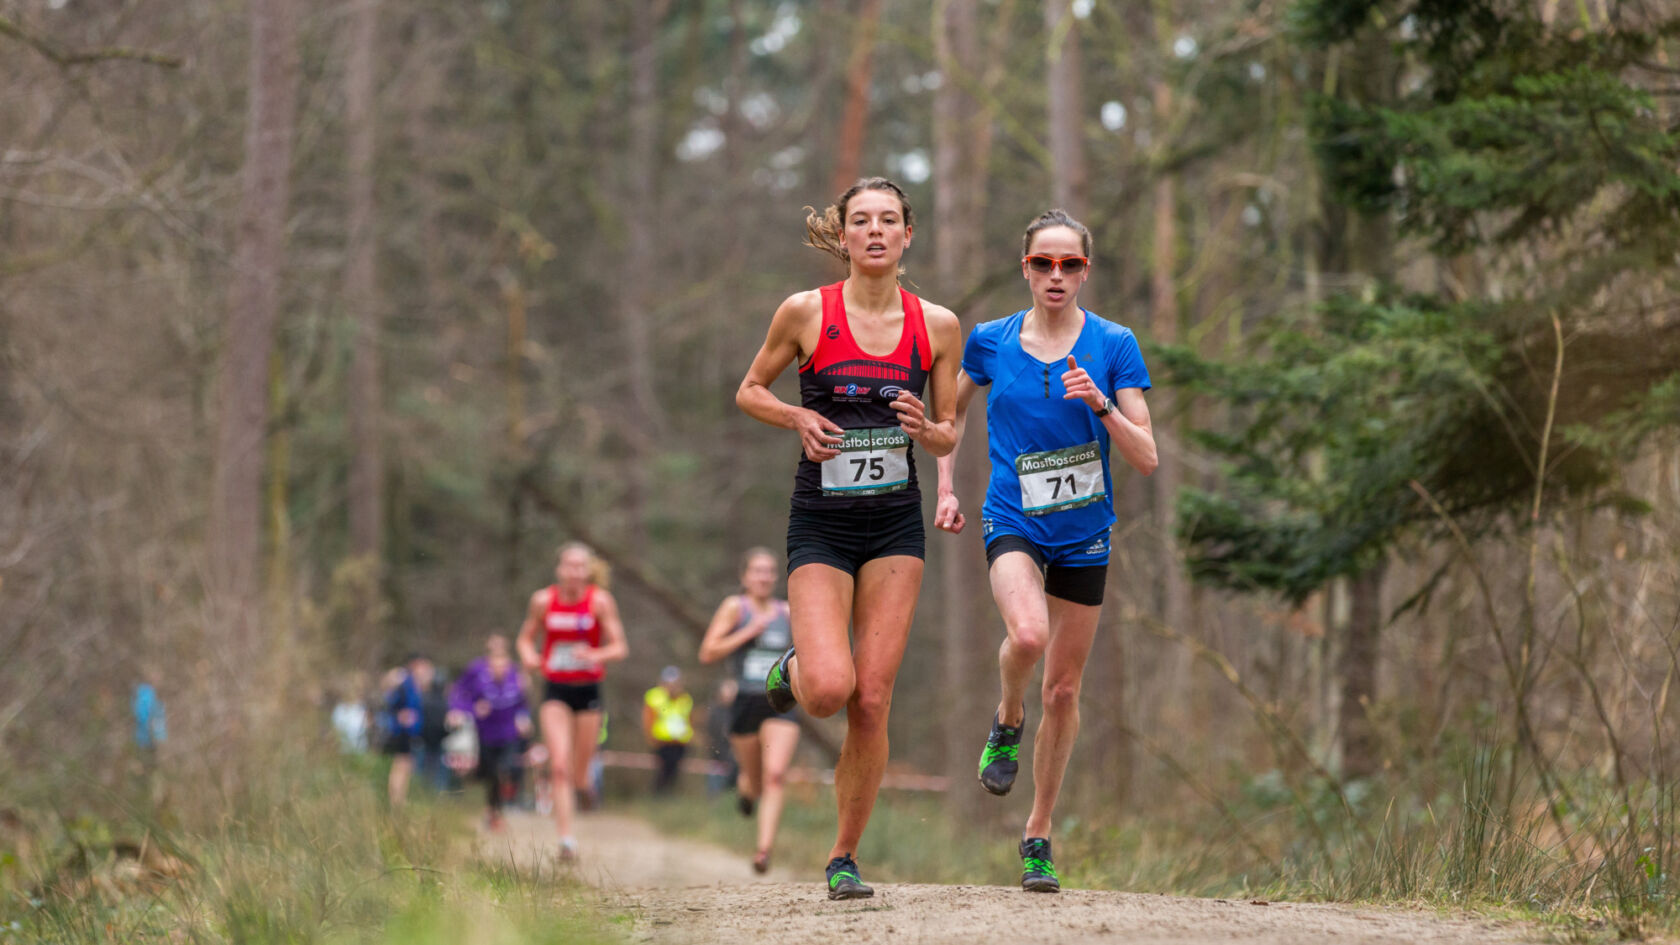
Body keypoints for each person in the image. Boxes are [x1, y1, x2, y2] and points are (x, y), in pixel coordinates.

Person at [736, 177, 961, 899]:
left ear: (906, 236)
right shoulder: (806, 312)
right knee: (830, 689)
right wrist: (797, 419)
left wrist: (930, 429)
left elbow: (951, 427)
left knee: (872, 698)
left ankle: (843, 856)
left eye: (887, 220)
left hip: (895, 523)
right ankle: (799, 668)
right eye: (860, 220)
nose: (873, 231)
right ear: (841, 237)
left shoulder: (938, 325)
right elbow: (750, 388)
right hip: (823, 522)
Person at [934, 209, 1158, 893]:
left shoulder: (1115, 344)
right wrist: (944, 483)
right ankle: (1006, 716)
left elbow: (1146, 456)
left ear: (1085, 271)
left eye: (1069, 264)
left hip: (1085, 531)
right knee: (1026, 634)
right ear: (1024, 268)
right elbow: (952, 412)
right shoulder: (991, 341)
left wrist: (1103, 406)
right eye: (1043, 263)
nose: (1055, 275)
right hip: (1014, 520)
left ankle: (1038, 832)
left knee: (1063, 688)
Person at [515, 541, 629, 860]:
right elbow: (525, 638)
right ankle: (566, 841)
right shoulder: (543, 600)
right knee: (560, 766)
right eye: (569, 565)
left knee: (579, 774)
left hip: (589, 690)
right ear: (559, 569)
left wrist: (594, 653)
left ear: (588, 570)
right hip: (555, 690)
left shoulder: (600, 602)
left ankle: (586, 789)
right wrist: (529, 657)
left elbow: (619, 647)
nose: (575, 572)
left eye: (581, 566)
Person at [698, 546, 801, 874]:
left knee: (775, 775)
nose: (764, 576)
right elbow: (708, 652)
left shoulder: (787, 612)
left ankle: (763, 851)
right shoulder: (735, 607)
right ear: (744, 577)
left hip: (779, 701)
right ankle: (745, 791)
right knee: (754, 779)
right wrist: (748, 631)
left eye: (770, 571)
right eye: (757, 570)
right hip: (744, 701)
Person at [450, 635, 532, 831]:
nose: (499, 668)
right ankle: (491, 810)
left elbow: (522, 703)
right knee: (489, 774)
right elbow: (459, 695)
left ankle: (498, 811)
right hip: (485, 733)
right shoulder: (476, 671)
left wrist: (523, 718)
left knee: (505, 769)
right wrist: (471, 709)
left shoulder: (516, 675)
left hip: (508, 734)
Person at [381, 654, 434, 808]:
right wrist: (399, 715)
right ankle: (396, 801)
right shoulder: (404, 683)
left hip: (411, 732)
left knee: (407, 766)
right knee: (401, 765)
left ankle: (400, 799)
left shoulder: (415, 685)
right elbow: (391, 703)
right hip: (401, 733)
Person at [642, 666, 694, 794]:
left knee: (673, 774)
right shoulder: (654, 697)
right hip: (661, 742)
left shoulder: (685, 699)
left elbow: (688, 720)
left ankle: (667, 799)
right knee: (663, 774)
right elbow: (648, 720)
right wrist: (651, 739)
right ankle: (658, 798)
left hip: (680, 743)